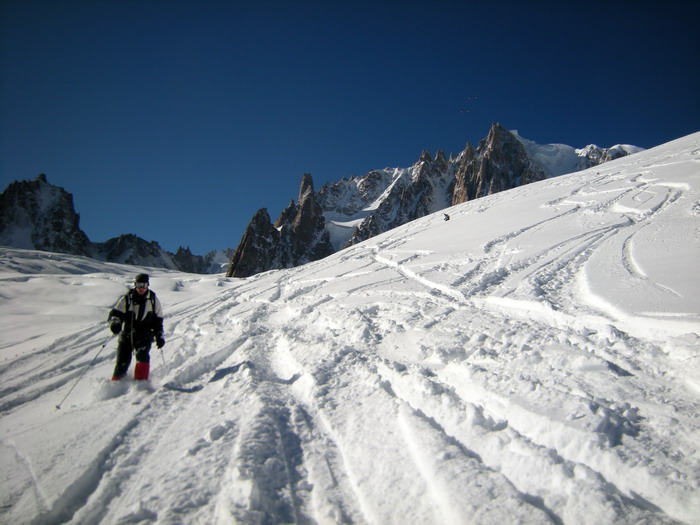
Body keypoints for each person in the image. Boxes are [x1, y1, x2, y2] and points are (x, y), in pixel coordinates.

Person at [108, 273, 165, 381]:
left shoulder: (152, 299)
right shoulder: (128, 298)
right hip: (127, 335)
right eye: (139, 285)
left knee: (142, 358)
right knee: (122, 361)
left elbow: (158, 320)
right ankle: (116, 385)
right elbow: (116, 313)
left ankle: (140, 385)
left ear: (147, 285)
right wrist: (115, 323)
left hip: (145, 335)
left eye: (144, 285)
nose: (141, 288)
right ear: (135, 285)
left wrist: (159, 336)